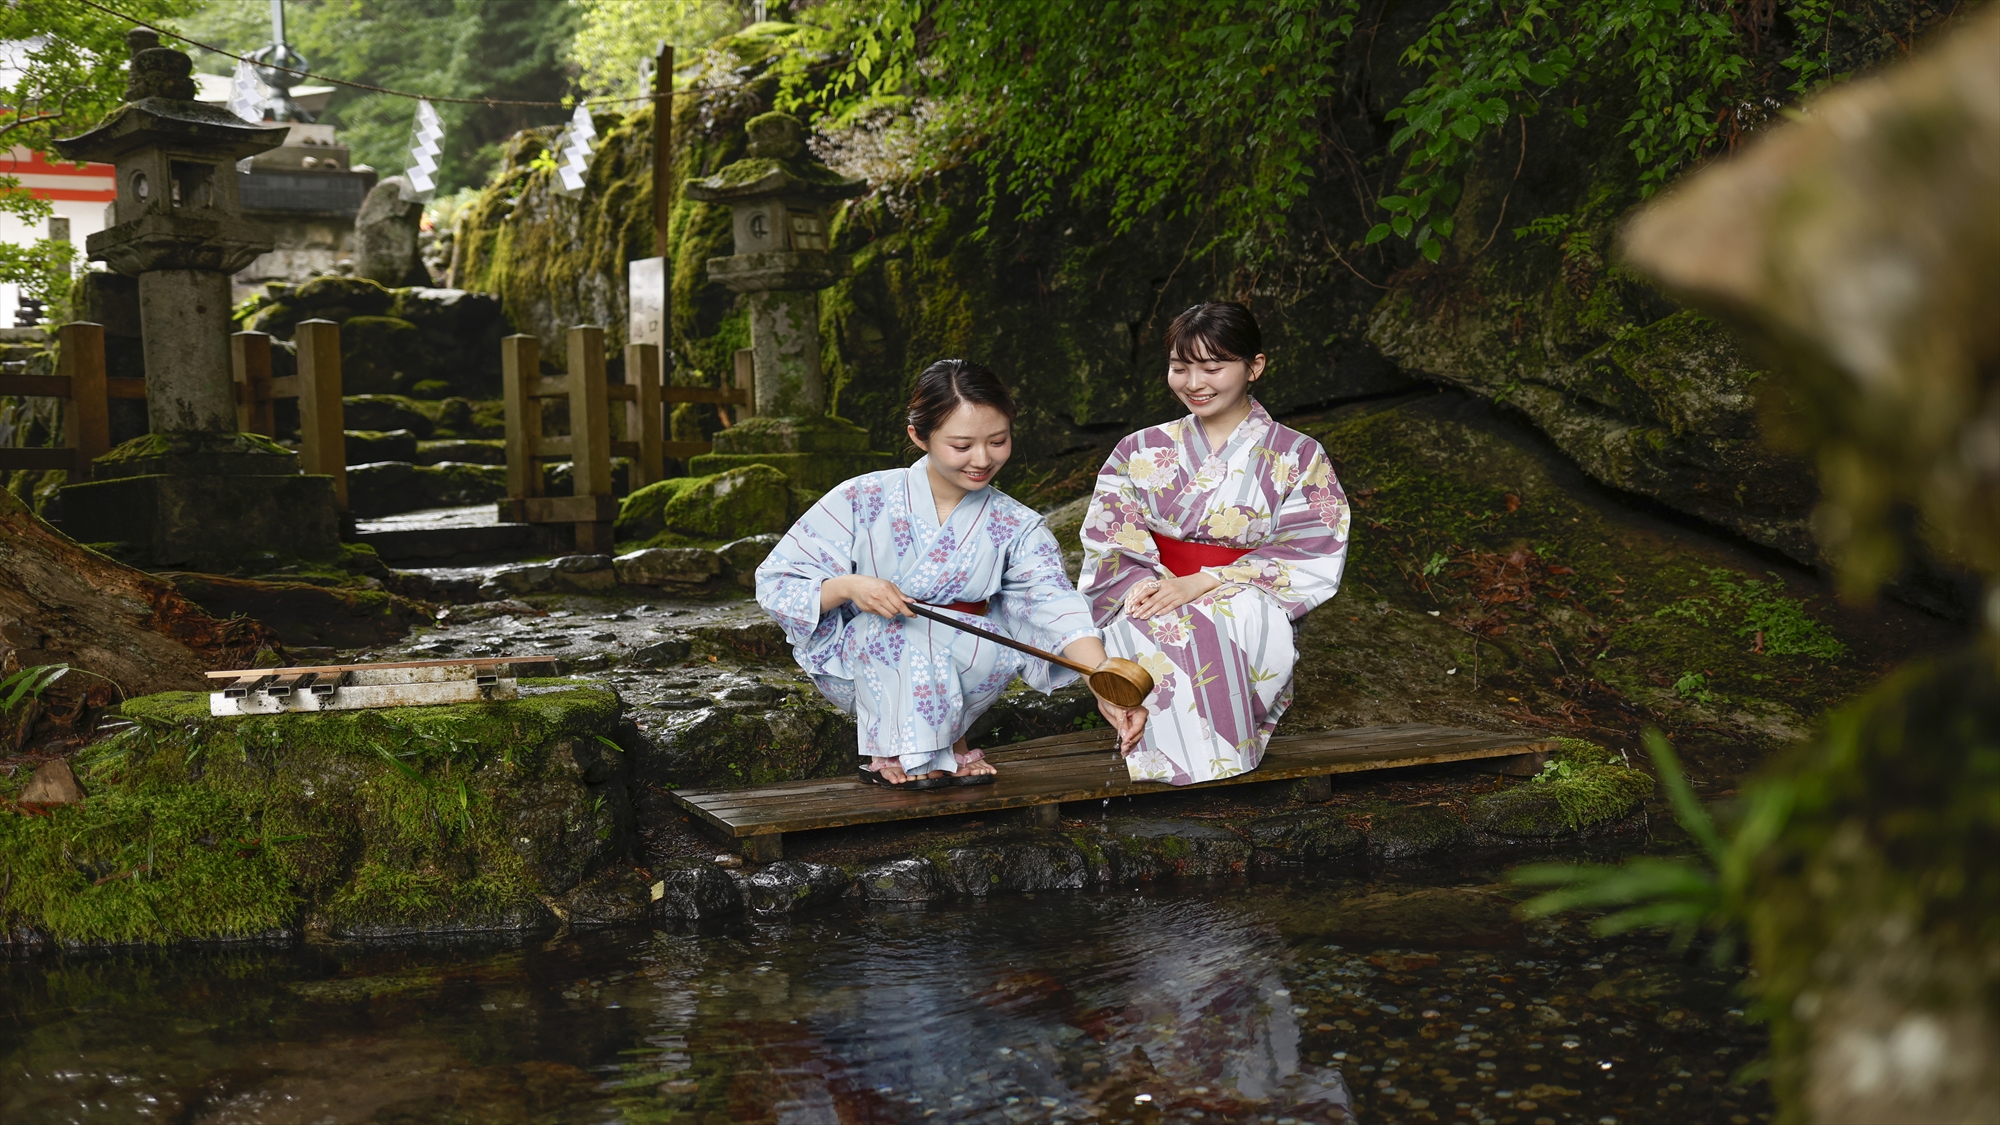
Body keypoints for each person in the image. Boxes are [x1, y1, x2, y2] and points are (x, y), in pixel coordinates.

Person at [757, 359, 1148, 789]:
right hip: (866, 661)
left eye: (998, 441)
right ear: (918, 436)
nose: (982, 459)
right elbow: (778, 580)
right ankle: (904, 751)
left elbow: (1052, 602)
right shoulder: (860, 497)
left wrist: (1102, 678)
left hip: (968, 661)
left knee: (982, 644)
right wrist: (849, 586)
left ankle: (940, 746)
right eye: (962, 446)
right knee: (895, 632)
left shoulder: (1017, 524)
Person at [1079, 302, 1350, 785]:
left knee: (1214, 619)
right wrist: (1153, 585)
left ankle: (1218, 757)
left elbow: (1310, 547)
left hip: (1247, 594)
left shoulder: (1298, 454)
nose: (1194, 383)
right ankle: (1155, 750)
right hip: (1154, 578)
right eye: (1180, 368)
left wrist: (1205, 582)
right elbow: (1111, 538)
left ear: (1255, 367)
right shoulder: (1138, 450)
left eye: (1212, 367)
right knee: (1144, 617)